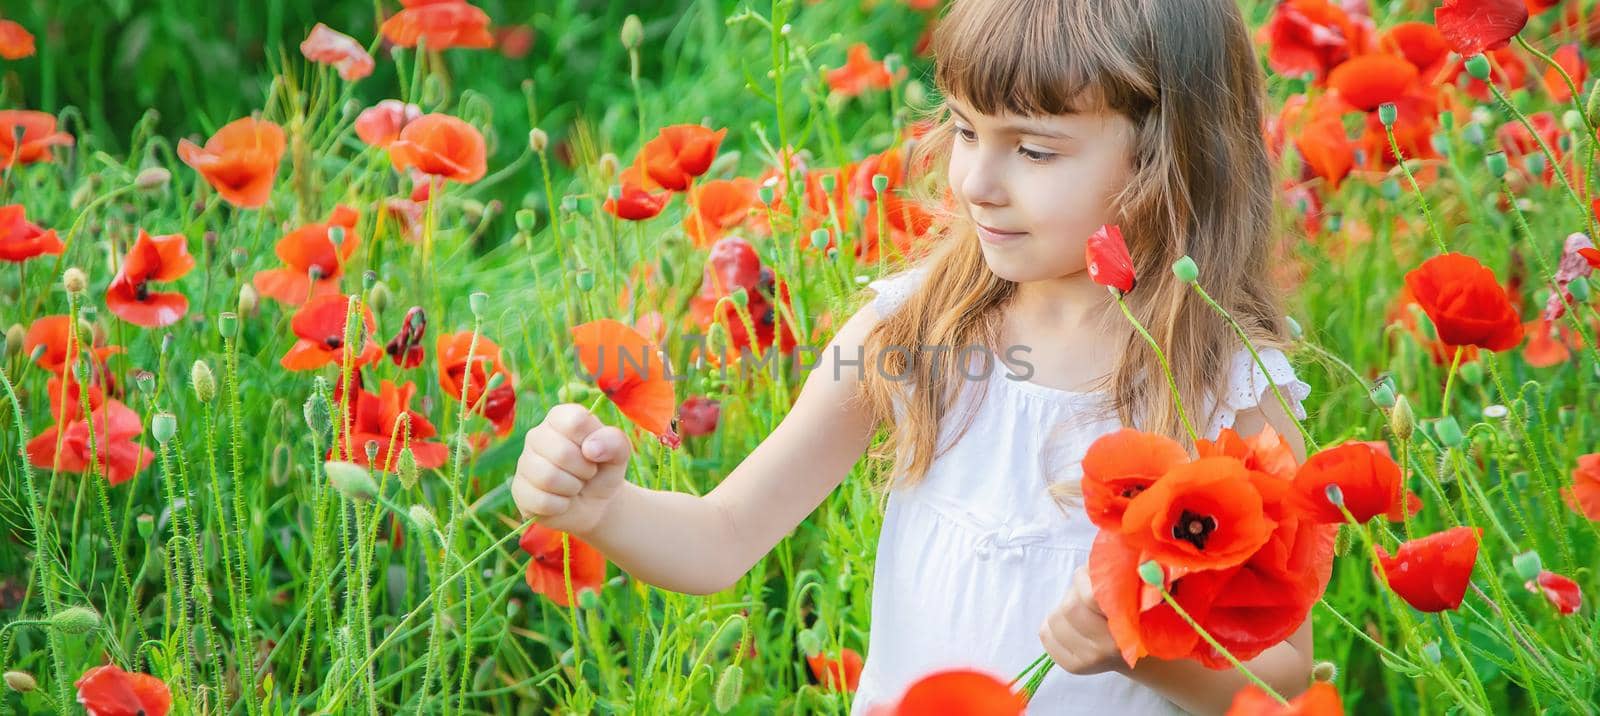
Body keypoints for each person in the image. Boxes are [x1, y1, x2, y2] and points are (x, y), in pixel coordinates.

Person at [511, 0, 1317, 712]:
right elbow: (723, 535)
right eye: (965, 129)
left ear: (1174, 156)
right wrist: (600, 512)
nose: (975, 181)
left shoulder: (1228, 392)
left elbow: (1282, 671)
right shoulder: (906, 337)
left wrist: (1143, 648)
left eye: (1034, 151)